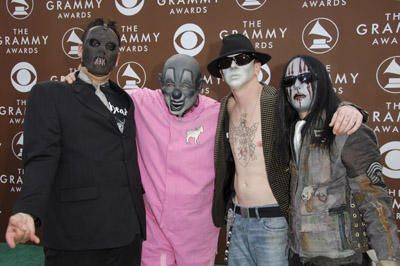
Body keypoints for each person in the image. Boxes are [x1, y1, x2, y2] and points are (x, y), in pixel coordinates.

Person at [207, 33, 366, 266]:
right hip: (237, 220)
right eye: (225, 63)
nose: (233, 66)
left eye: (241, 59)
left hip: (273, 222)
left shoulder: (279, 101)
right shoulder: (223, 107)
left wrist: (352, 109)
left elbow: (318, 107)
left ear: (257, 67)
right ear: (220, 73)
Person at [5, 18, 145, 266]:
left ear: (119, 58)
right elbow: (41, 158)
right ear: (80, 50)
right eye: (94, 43)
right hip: (77, 235)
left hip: (126, 235)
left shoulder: (126, 99)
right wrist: (28, 209)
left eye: (110, 47)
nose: (102, 50)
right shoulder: (51, 93)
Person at [62, 54, 221, 266]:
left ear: (200, 86)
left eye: (185, 86)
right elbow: (102, 95)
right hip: (153, 227)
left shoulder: (219, 114)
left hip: (197, 231)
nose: (175, 93)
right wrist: (78, 82)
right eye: (170, 84)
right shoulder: (142, 102)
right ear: (160, 81)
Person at [275, 54, 400, 266]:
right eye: (289, 81)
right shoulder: (289, 129)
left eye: (305, 78)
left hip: (340, 258)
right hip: (299, 253)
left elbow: (374, 200)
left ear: (321, 81)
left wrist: (389, 257)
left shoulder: (346, 129)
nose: (297, 86)